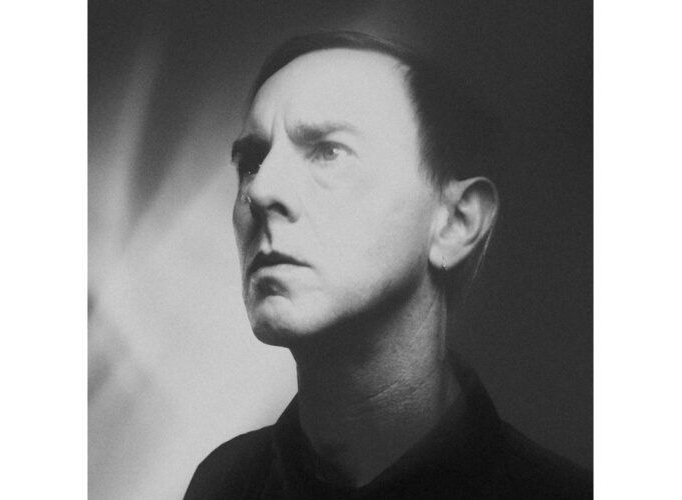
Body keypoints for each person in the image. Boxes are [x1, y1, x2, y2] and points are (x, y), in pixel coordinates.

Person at [184, 31, 592, 499]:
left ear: (456, 222)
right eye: (253, 162)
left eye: (329, 151)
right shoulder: (223, 485)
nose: (260, 191)